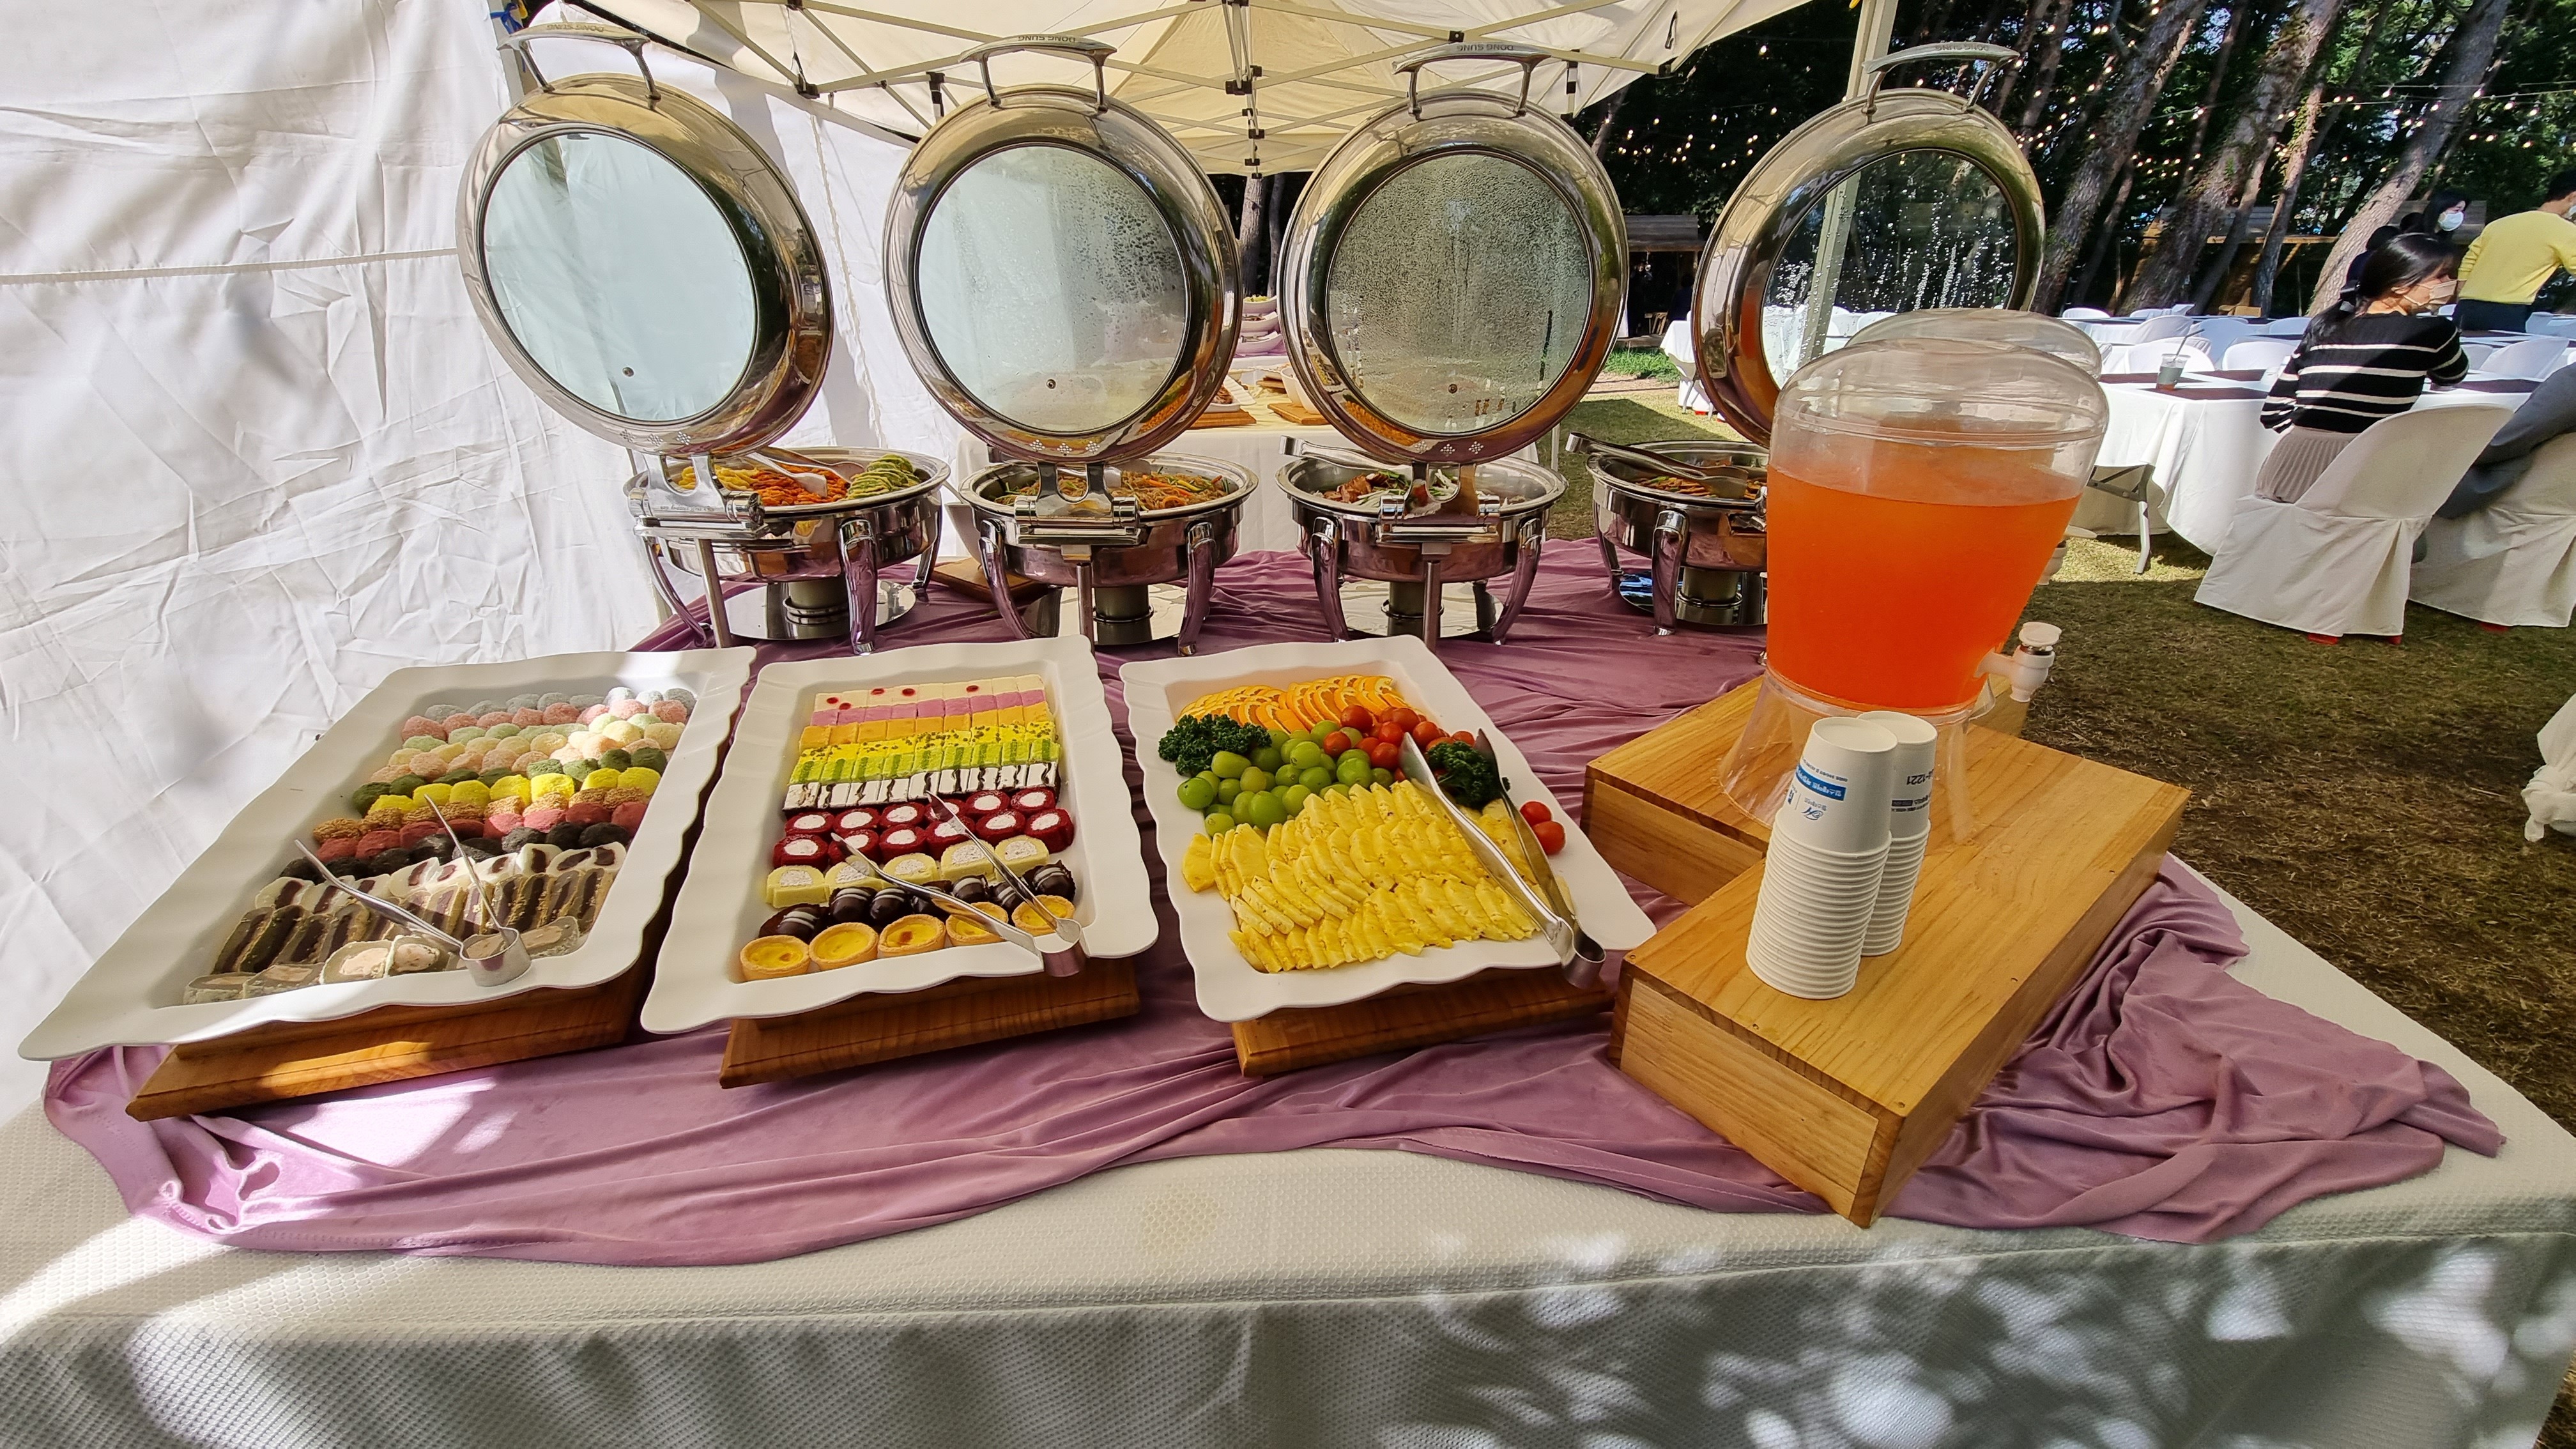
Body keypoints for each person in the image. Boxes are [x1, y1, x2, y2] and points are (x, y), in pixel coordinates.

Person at [2257, 233, 2469, 502]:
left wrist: (2316, 440)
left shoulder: (2325, 326)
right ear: (2401, 285)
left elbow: (2273, 411)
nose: (2449, 283)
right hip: (2372, 469)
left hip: (2288, 471)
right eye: (2441, 277)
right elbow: (2452, 375)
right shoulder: (2434, 331)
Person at [2438, 364, 2576, 517]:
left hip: (2512, 502)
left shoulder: (2571, 382)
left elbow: (2506, 442)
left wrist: (2443, 456)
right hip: (2556, 504)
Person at [2457, 171, 2576, 332]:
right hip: (2508, 311)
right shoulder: (2565, 230)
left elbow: (2469, 262)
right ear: (2573, 197)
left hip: (2466, 308)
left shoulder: (2499, 224)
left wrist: (2462, 296)